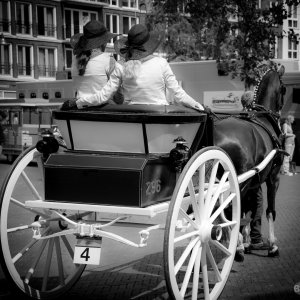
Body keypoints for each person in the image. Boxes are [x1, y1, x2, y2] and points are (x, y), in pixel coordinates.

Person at [61, 24, 204, 111]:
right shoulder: (161, 63)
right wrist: (198, 105)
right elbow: (178, 94)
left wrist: (78, 102)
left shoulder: (121, 67)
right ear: (147, 45)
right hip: (159, 114)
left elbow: (103, 96)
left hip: (134, 115)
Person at [70, 20, 123, 104]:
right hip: (103, 111)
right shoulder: (108, 59)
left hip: (79, 109)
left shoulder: (74, 60)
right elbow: (117, 93)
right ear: (103, 42)